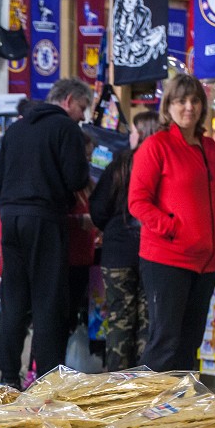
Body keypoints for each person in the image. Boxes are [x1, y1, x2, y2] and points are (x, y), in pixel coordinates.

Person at [128, 74, 215, 372]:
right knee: (165, 342)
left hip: (206, 262)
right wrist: (173, 229)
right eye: (181, 100)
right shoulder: (156, 146)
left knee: (190, 343)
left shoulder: (211, 148)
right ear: (168, 106)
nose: (189, 107)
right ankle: (146, 412)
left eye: (195, 100)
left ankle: (180, 411)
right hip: (168, 259)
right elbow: (137, 201)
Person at [0, 78, 93, 388]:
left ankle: (9, 376)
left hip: (10, 218)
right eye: (82, 107)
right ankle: (48, 379)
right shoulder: (66, 129)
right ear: (69, 100)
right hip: (45, 220)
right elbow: (76, 177)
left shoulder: (16, 129)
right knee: (48, 300)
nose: (83, 116)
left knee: (14, 298)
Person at [89, 111, 159, 370]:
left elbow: (98, 207)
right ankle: (145, 380)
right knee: (148, 319)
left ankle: (117, 382)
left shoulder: (120, 164)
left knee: (119, 317)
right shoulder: (161, 165)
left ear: (140, 133)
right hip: (152, 251)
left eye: (132, 131)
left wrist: (110, 227)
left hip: (117, 251)